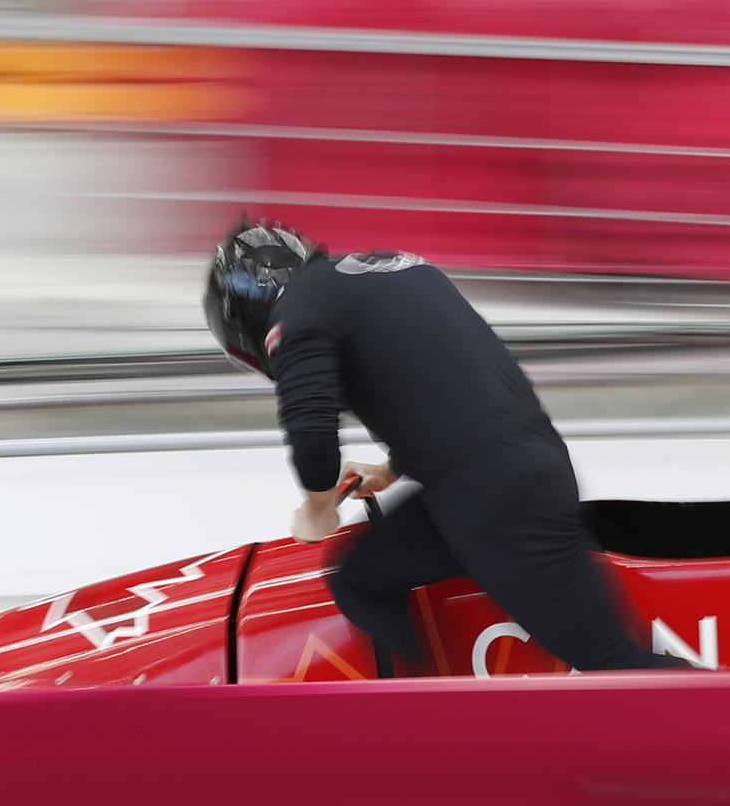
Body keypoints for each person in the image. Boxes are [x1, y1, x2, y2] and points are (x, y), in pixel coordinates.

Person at [203, 218, 685, 673]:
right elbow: (448, 389)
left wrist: (318, 506)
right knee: (361, 577)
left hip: (494, 500)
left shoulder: (299, 313)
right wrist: (391, 471)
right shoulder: (392, 268)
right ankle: (425, 720)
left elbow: (311, 437)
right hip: (497, 481)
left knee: (612, 662)